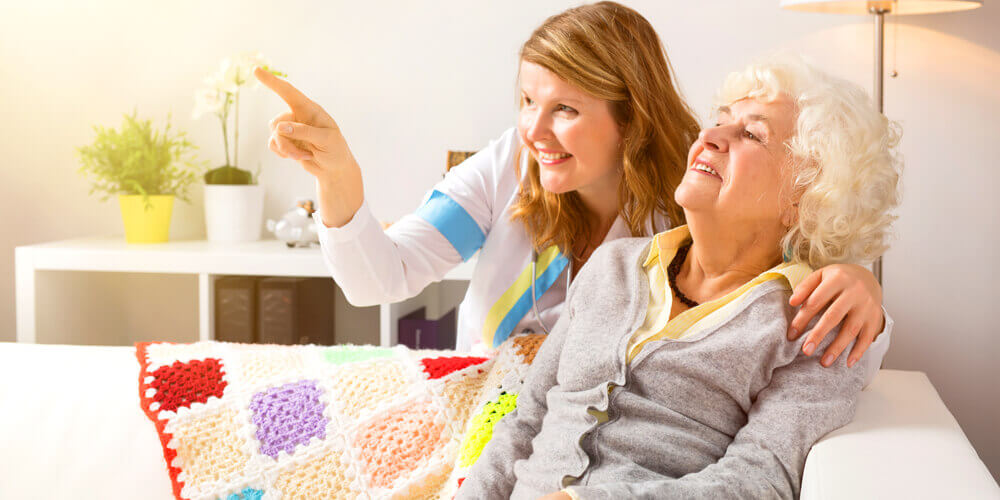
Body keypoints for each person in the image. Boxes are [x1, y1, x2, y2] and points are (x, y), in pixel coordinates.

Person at [253, 1, 889, 368]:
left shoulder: (697, 195)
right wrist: (340, 176)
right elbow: (379, 279)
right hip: (486, 393)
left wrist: (860, 280)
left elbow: (787, 278)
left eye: (566, 109)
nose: (535, 129)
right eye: (528, 100)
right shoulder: (509, 164)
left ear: (630, 117)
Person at [456, 53, 902, 500]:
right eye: (720, 120)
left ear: (806, 196)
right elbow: (525, 422)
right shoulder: (612, 266)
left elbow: (760, 479)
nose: (710, 136)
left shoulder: (814, 324)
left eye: (751, 133)